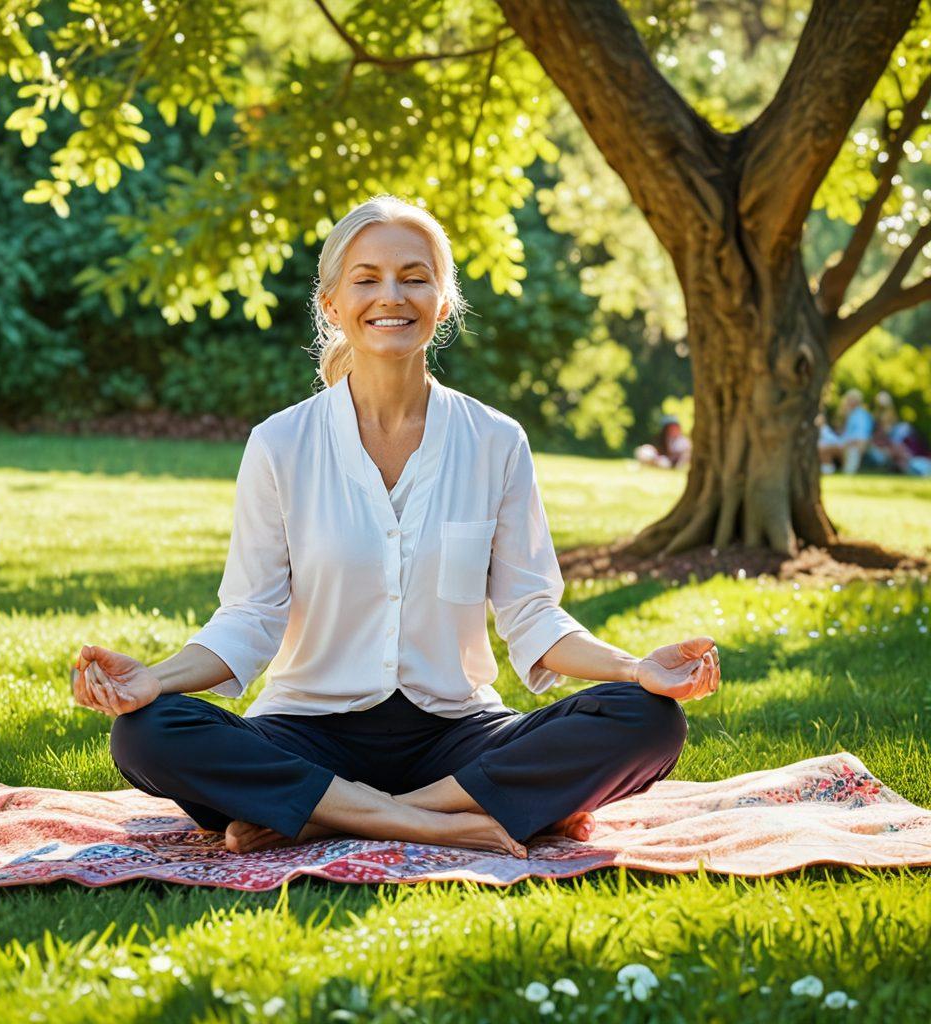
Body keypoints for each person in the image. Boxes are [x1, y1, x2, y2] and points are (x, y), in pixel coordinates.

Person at [71, 195, 721, 860]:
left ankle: (333, 816)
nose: (392, 296)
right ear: (331, 304)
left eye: (414, 277)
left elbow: (532, 613)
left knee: (647, 720)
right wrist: (156, 680)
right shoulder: (281, 444)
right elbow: (249, 616)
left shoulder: (495, 441)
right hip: (305, 734)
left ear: (442, 301)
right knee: (147, 733)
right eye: (366, 278)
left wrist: (636, 668)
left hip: (458, 738)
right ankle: (444, 820)